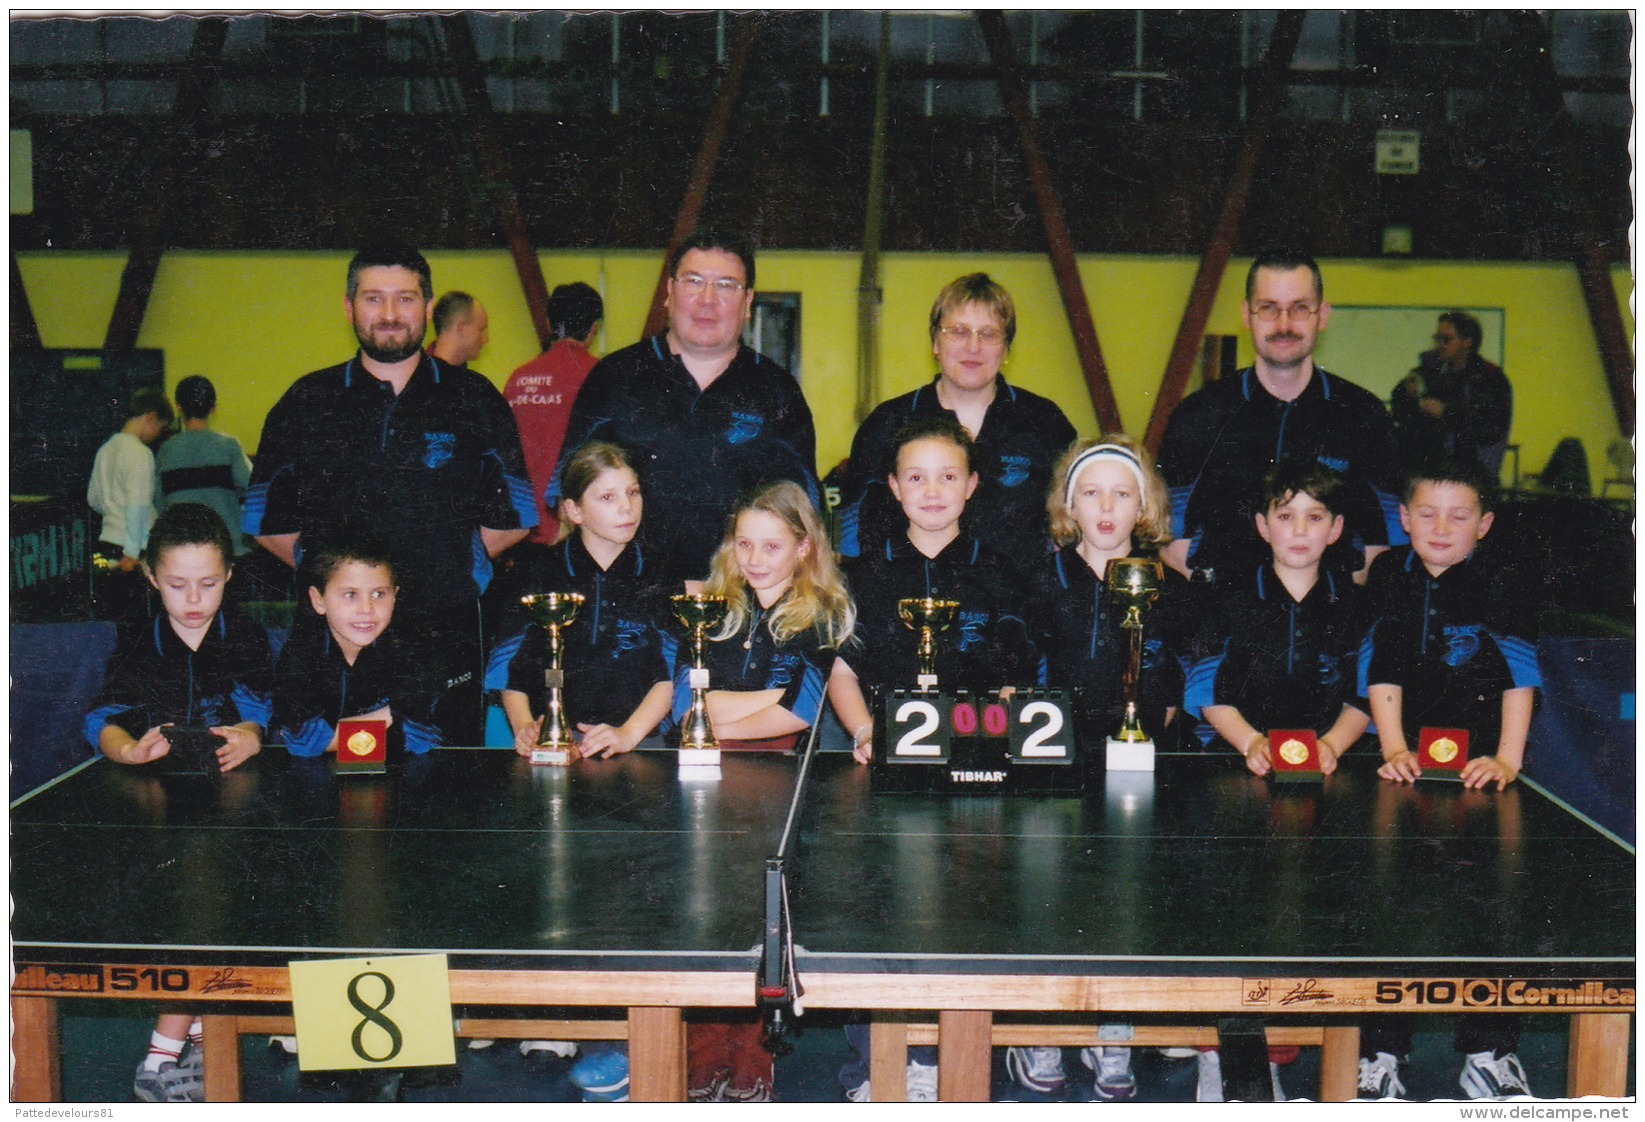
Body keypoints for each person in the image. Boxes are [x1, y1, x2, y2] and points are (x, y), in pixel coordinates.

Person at [244, 244, 535, 746]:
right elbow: (270, 524)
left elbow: (515, 517)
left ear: (427, 306)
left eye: (405, 299)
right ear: (348, 306)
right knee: (329, 801)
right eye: (374, 299)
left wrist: (445, 565)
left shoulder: (476, 400)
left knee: (446, 799)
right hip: (335, 649)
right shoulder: (306, 401)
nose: (390, 314)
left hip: (447, 639)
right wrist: (342, 583)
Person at [829, 417, 1038, 1104]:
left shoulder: (999, 571)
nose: (931, 490)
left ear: (972, 485)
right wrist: (863, 731)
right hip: (884, 771)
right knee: (881, 916)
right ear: (891, 486)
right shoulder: (864, 571)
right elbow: (840, 671)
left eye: (948, 476)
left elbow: (1013, 677)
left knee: (967, 911)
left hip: (972, 772)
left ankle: (955, 1057)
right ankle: (875, 1064)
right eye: (914, 476)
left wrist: (992, 731)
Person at [1356, 457, 1539, 1101]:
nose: (1441, 526)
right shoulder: (1386, 575)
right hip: (1401, 773)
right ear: (1403, 520)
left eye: (1459, 515)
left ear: (1484, 524)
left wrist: (1509, 760)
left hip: (1478, 775)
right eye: (1426, 513)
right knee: (1387, 911)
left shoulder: (1504, 580)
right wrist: (1396, 746)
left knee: (1490, 916)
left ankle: (1489, 1051)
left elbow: (1520, 675)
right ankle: (1379, 1052)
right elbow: (1380, 668)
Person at [1015, 434, 1188, 1101]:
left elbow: (1174, 681)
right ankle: (1041, 1026)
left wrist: (1151, 733)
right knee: (1050, 900)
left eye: (1122, 493)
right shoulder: (1039, 580)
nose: (1106, 507)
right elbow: (1017, 671)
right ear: (1068, 503)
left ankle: (1112, 1031)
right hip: (1052, 771)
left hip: (1132, 768)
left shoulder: (1168, 587)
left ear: (1144, 505)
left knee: (1124, 901)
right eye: (1091, 492)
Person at [82, 502, 272, 1102]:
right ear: (150, 578)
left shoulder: (244, 635)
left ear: (230, 576)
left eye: (209, 583)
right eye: (177, 583)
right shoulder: (137, 639)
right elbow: (104, 718)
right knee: (187, 913)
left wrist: (251, 736)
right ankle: (172, 1047)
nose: (194, 598)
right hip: (160, 804)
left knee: (217, 909)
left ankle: (177, 1042)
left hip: (235, 799)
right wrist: (126, 751)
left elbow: (263, 709)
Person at [547, 230, 818, 576]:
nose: (707, 299)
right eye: (693, 281)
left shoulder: (778, 391)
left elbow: (803, 509)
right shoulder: (613, 378)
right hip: (631, 601)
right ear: (670, 292)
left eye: (725, 285)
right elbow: (568, 494)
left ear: (748, 301)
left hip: (738, 596)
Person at [1156, 251, 1402, 587]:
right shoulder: (1199, 416)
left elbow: (1386, 542)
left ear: (1323, 315)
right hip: (1225, 624)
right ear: (1247, 314)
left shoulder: (1363, 415)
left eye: (1300, 308)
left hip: (1331, 623)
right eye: (1268, 308)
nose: (1284, 325)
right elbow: (1170, 539)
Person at [837, 272, 1077, 572]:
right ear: (935, 342)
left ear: (1006, 349)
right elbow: (852, 539)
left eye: (988, 334)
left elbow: (1073, 529)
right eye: (959, 331)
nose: (973, 347)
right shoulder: (887, 423)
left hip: (1022, 609)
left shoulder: (1045, 422)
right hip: (911, 606)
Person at [1186, 461, 1371, 775]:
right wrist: (1251, 743)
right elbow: (1207, 689)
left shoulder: (1354, 604)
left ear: (1335, 529)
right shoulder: (1227, 599)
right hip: (1240, 758)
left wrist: (1332, 746)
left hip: (1332, 762)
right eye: (1285, 517)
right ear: (1263, 526)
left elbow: (1366, 694)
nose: (1300, 530)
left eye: (1314, 517)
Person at [495, 441, 674, 759]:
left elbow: (676, 671)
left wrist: (628, 734)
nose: (626, 508)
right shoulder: (536, 572)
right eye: (608, 497)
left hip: (642, 741)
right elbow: (509, 666)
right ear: (574, 510)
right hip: (555, 746)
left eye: (633, 492)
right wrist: (524, 727)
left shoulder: (662, 572)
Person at [271, 534, 440, 757]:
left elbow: (421, 738)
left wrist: (333, 735)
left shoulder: (411, 651)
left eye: (379, 594)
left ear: (395, 597)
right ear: (318, 600)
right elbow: (305, 742)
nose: (366, 608)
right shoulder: (300, 654)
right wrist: (394, 714)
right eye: (350, 594)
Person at [505, 282, 605, 547]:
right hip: (572, 532)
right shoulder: (602, 377)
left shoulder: (518, 379)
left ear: (549, 323)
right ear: (593, 328)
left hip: (517, 533)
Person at [1391, 310, 1513, 478]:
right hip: (1428, 466)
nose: (1439, 345)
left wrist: (1445, 413)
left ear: (1467, 341)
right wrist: (1406, 392)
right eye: (1437, 339)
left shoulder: (1490, 377)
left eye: (1446, 339)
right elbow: (1399, 409)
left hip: (1473, 470)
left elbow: (1490, 427)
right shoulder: (1428, 371)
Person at [87, 386, 174, 620]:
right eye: (160, 427)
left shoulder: (105, 450)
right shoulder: (140, 453)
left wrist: (113, 511)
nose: (157, 434)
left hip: (107, 544)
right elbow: (138, 505)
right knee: (143, 621)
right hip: (135, 550)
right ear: (151, 418)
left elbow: (93, 499)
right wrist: (133, 553)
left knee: (113, 619)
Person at [154, 375, 253, 556]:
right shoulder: (228, 446)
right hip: (227, 548)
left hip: (182, 548)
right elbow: (250, 489)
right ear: (213, 408)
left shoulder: (165, 451)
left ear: (178, 406)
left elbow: (159, 502)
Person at [428, 290, 490, 369]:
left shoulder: (472, 380)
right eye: (481, 330)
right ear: (462, 328)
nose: (486, 339)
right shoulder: (415, 376)